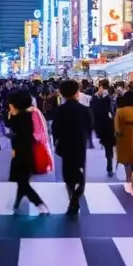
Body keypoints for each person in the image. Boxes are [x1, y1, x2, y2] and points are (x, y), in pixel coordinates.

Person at [51, 79, 93, 219]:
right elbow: (90, 126)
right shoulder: (83, 109)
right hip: (79, 146)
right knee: (80, 176)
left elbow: (55, 129)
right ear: (77, 92)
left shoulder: (60, 110)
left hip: (64, 146)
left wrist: (57, 139)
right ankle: (75, 200)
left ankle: (72, 199)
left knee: (68, 175)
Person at [6, 90, 48, 213]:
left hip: (23, 155)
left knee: (23, 182)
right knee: (21, 181)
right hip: (25, 153)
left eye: (10, 104)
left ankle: (39, 204)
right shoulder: (27, 115)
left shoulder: (21, 118)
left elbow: (20, 136)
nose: (9, 106)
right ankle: (17, 202)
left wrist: (12, 137)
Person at [91, 79, 117, 176]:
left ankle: (109, 161)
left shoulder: (98, 98)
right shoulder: (111, 97)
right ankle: (109, 161)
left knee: (108, 145)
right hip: (110, 125)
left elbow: (94, 109)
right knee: (109, 145)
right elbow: (113, 110)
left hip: (103, 126)